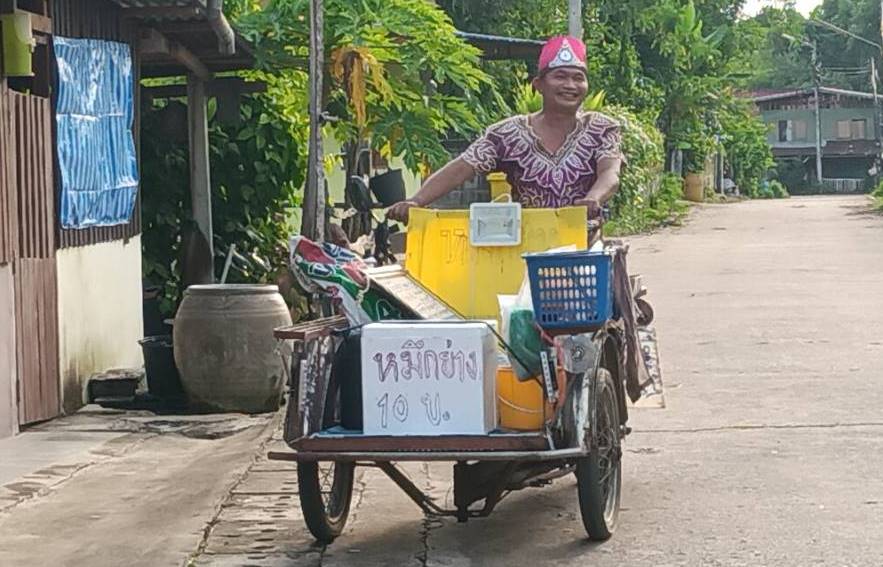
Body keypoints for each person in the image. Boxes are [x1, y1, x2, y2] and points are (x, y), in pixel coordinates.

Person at [387, 35, 624, 225]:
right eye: (560, 76)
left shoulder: (601, 128)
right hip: (526, 250)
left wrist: (592, 199)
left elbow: (610, 173)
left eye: (578, 78)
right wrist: (416, 201)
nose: (570, 85)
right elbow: (463, 167)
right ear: (538, 85)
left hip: (587, 251)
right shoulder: (506, 134)